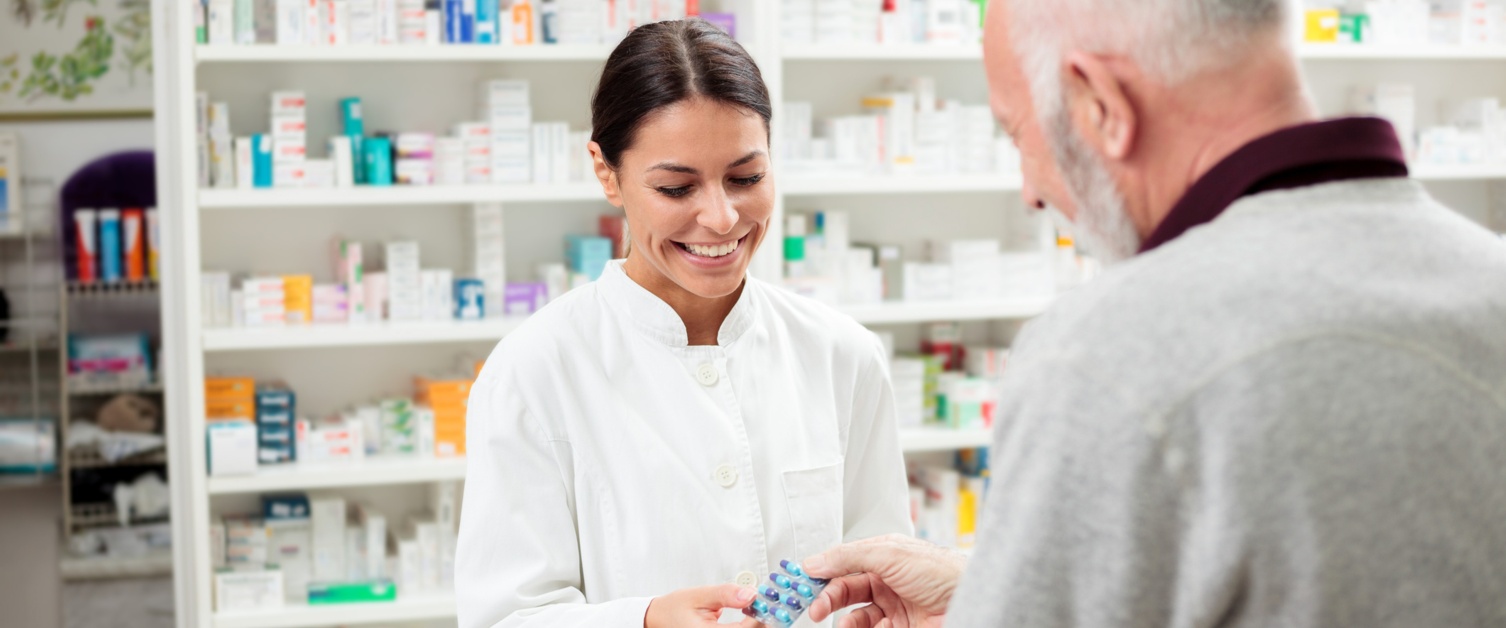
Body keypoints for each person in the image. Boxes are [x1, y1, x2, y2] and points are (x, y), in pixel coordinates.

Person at [803, 0, 1506, 626]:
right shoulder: (1490, 278)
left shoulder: (1105, 354)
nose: (1030, 193)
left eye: (1020, 136)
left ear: (1101, 105)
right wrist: (983, 588)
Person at [454, 18, 913, 628]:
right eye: (676, 188)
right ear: (606, 172)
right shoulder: (534, 371)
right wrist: (643, 620)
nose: (722, 218)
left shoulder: (841, 354)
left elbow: (886, 587)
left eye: (746, 178)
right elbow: (502, 618)